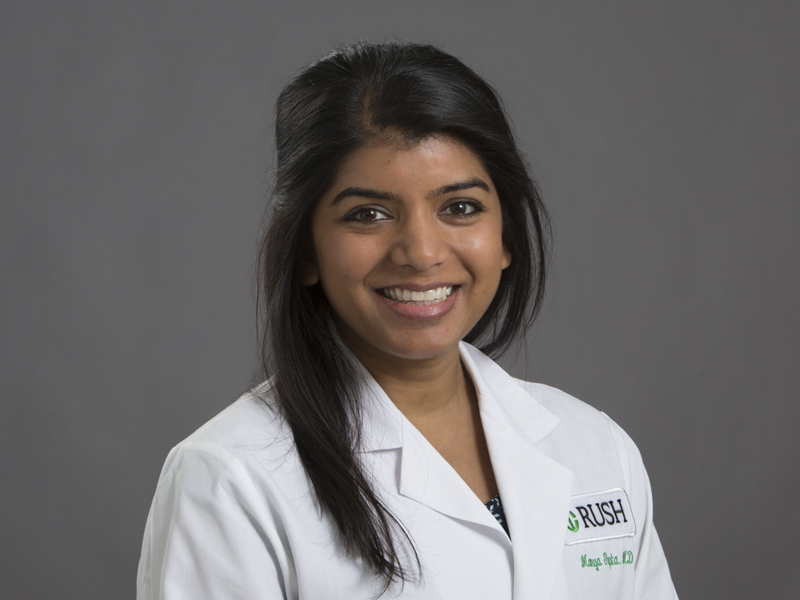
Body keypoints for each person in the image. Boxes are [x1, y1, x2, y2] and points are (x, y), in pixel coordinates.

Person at [136, 42, 678, 599]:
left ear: (506, 237)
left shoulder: (596, 446)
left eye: (460, 207)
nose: (421, 253)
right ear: (306, 251)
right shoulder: (229, 478)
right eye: (368, 214)